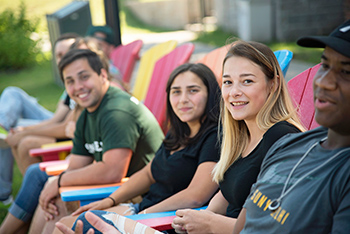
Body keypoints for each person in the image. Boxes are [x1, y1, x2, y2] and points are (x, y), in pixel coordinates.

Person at [0, 49, 164, 234]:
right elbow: (76, 165)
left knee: (62, 195)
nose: (78, 86)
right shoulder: (87, 114)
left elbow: (112, 171)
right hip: (123, 188)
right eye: (70, 81)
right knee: (57, 191)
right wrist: (57, 182)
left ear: (102, 75)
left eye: (84, 77)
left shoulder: (117, 111)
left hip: (146, 197)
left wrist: (59, 182)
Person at [54, 62, 222, 234]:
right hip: (145, 211)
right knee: (65, 223)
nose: (183, 99)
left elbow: (195, 196)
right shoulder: (180, 131)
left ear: (210, 94)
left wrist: (141, 216)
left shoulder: (215, 137)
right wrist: (111, 200)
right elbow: (148, 173)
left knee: (77, 224)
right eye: (176, 91)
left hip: (166, 222)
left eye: (193, 90)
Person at [172, 40, 305, 233]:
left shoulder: (282, 138)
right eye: (228, 82)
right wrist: (192, 221)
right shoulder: (240, 139)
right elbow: (224, 198)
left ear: (273, 84)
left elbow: (276, 225)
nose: (234, 92)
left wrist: (208, 224)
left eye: (247, 81)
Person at [233, 19, 350, 233]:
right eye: (324, 65)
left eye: (346, 72)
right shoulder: (288, 144)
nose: (323, 81)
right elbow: (243, 226)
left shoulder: (343, 173)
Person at [0, 33, 79, 205]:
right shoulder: (70, 84)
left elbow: (64, 127)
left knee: (20, 137)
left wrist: (26, 132)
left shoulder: (80, 85)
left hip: (67, 135)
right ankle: (3, 126)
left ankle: (24, 200)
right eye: (58, 55)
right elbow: (56, 119)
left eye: (65, 54)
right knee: (13, 95)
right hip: (59, 126)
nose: (61, 59)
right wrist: (24, 130)